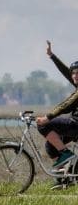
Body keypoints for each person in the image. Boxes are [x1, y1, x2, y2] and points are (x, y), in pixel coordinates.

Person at [38, 41, 78, 185]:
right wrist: (52, 56)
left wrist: (47, 117)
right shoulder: (76, 80)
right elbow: (66, 71)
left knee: (43, 127)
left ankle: (67, 155)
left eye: (77, 73)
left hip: (76, 125)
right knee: (51, 145)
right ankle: (64, 180)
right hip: (74, 124)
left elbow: (66, 105)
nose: (74, 75)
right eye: (74, 73)